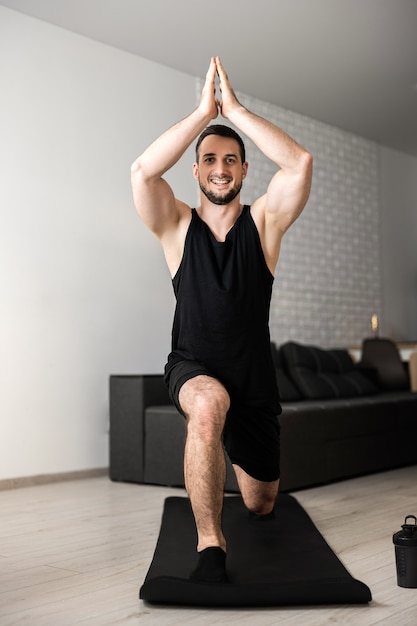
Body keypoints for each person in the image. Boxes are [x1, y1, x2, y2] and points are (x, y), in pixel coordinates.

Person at [131, 57, 313, 583]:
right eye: (209, 159)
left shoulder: (264, 226)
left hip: (254, 383)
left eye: (231, 159)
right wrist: (201, 113)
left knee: (260, 503)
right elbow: (143, 171)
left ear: (244, 170)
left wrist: (233, 110)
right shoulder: (176, 227)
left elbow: (299, 164)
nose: (220, 168)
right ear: (196, 171)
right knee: (208, 407)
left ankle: (233, 447)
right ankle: (210, 545)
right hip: (194, 367)